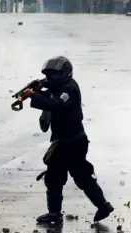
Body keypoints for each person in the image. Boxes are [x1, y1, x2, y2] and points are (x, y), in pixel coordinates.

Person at [21, 56, 114, 224]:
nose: (51, 78)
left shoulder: (69, 89)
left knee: (56, 177)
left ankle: (55, 214)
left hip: (70, 142)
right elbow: (51, 90)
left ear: (64, 74)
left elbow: (54, 103)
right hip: (71, 141)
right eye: (49, 75)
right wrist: (39, 86)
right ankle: (103, 205)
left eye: (54, 75)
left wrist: (34, 95)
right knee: (80, 175)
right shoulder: (59, 86)